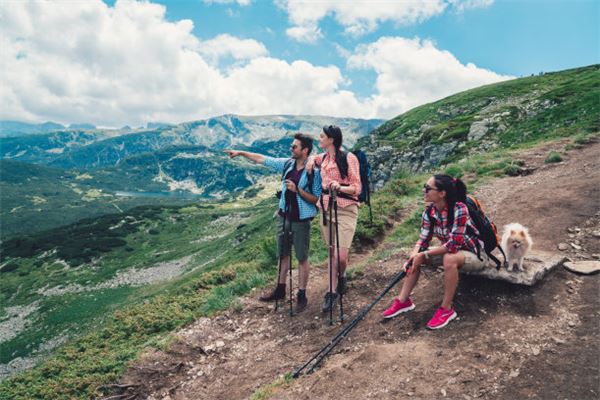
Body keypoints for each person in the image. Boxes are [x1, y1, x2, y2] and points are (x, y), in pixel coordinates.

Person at [225, 133, 321, 312]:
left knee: (301, 257)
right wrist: (241, 153)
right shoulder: (287, 164)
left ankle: (301, 294)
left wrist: (298, 190)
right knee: (283, 254)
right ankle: (280, 289)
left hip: (301, 220)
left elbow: (316, 199)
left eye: (294, 147)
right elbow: (263, 159)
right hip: (284, 216)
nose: (291, 149)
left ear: (305, 150)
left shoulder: (313, 173)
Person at [382, 174, 490, 329]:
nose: (424, 191)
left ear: (442, 193)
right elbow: (423, 239)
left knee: (448, 258)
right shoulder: (429, 212)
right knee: (417, 258)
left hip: (476, 255)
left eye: (427, 188)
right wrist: (415, 254)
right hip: (453, 252)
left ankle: (447, 309)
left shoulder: (460, 209)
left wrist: (424, 254)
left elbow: (453, 244)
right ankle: (403, 301)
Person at [309, 125, 361, 313]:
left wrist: (339, 187)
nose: (319, 138)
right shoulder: (321, 158)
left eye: (322, 136)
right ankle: (331, 291)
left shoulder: (349, 158)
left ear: (331, 139)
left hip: (346, 208)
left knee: (340, 255)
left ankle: (343, 275)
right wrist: (309, 161)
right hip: (325, 208)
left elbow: (357, 188)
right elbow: (312, 159)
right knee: (331, 251)